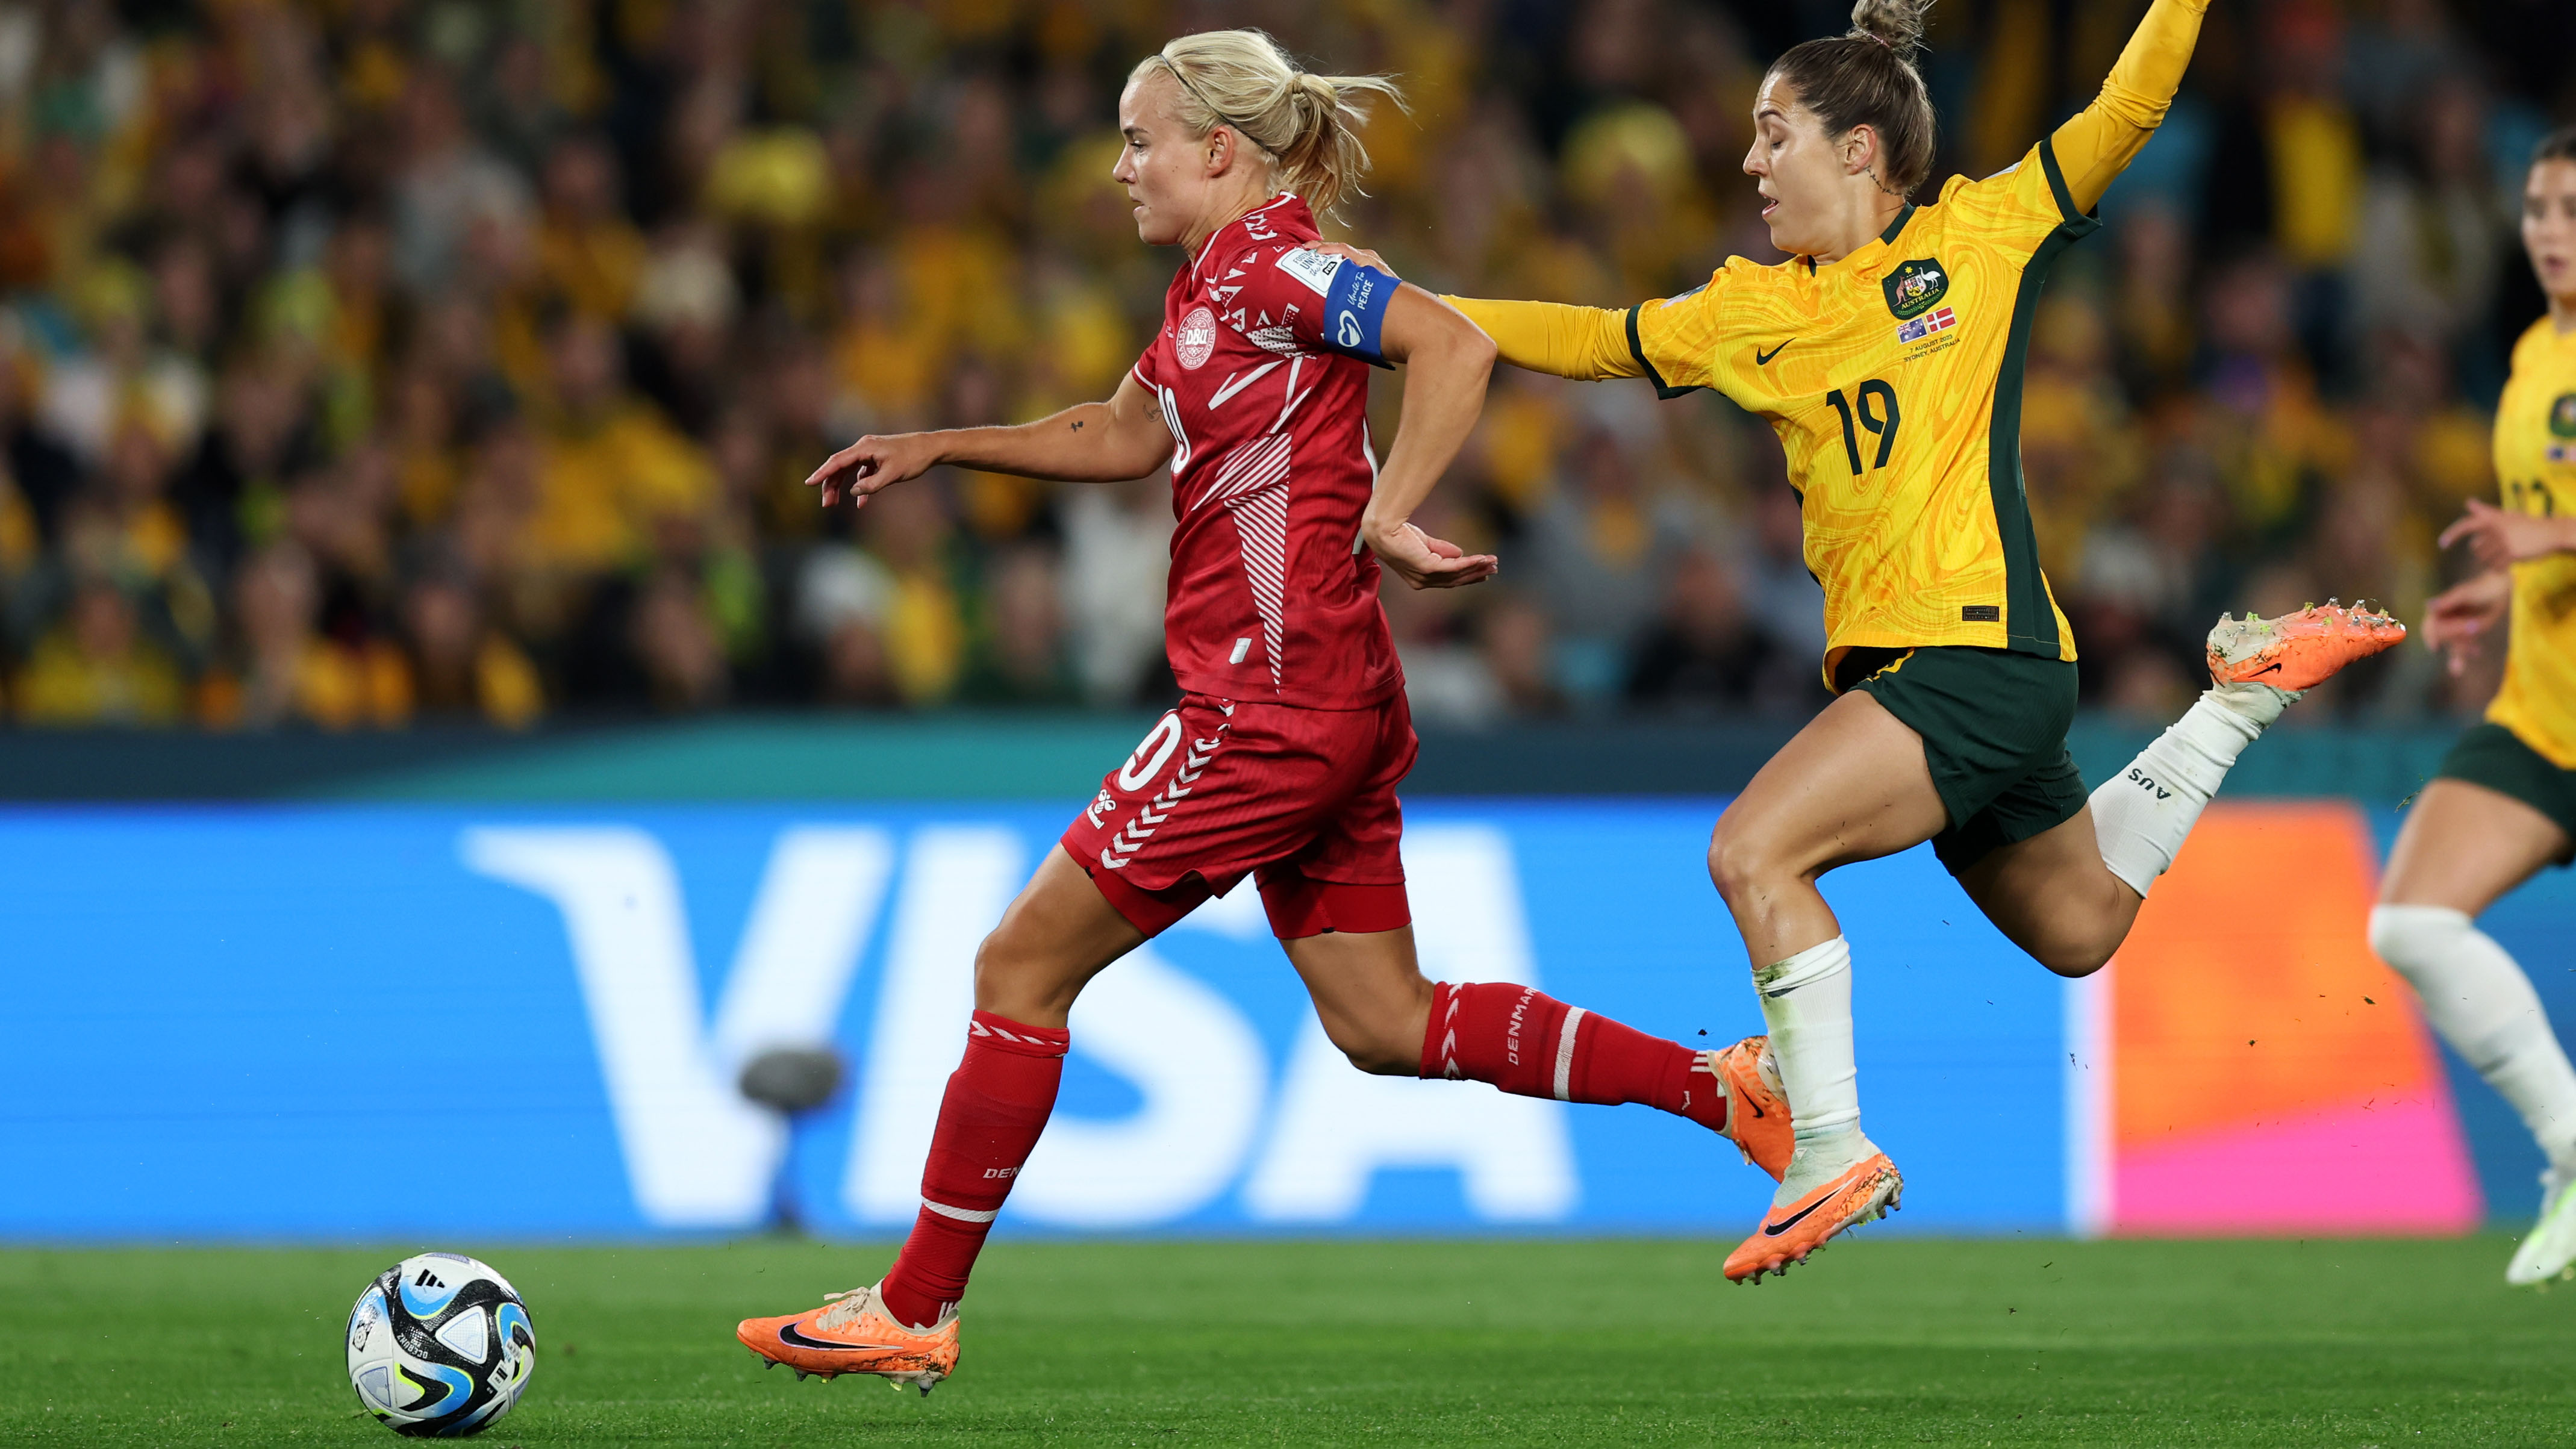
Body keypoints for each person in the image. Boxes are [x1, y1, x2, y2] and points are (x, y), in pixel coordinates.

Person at [732, 30, 1798, 1392]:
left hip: (1263, 707)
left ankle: (914, 1307)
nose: (1120, 167)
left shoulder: (1283, 268)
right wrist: (944, 446)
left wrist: (1393, 508)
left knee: (1017, 969)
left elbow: (1453, 345)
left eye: (1139, 140)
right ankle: (1723, 1089)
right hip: (1331, 702)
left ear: (1217, 151)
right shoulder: (1210, 291)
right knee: (1384, 1021)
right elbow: (1121, 434)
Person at [1313, 0, 2402, 1283]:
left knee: (1755, 849)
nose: (1750, 163)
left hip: (1975, 656)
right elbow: (1593, 342)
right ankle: (2240, 694)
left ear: (1862, 152)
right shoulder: (1749, 311)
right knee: (2079, 925)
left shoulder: (1980, 237)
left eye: (1776, 136)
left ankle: (1829, 1147)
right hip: (1962, 675)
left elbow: (2131, 112)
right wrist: (1392, 308)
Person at [2372, 126, 2576, 1288]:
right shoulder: (2527, 365)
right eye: (2538, 208)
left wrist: (2543, 536)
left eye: (2570, 209)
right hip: (2544, 715)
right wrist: (2501, 587)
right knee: (2406, 923)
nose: (2550, 230)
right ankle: (2566, 1151)